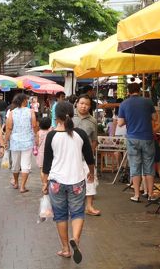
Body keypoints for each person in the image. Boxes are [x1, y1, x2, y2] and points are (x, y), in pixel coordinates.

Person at [42, 101, 95, 264]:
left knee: (60, 215)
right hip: (77, 181)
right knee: (78, 212)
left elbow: (46, 163)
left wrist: (44, 183)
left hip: (56, 182)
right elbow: (89, 157)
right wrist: (91, 173)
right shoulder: (80, 134)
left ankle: (65, 249)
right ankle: (76, 239)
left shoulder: (51, 135)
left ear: (56, 117)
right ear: (72, 114)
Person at [117, 83, 156, 202]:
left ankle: (137, 195)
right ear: (139, 90)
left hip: (132, 138)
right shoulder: (148, 102)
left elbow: (120, 123)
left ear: (128, 92)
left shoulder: (124, 104)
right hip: (147, 137)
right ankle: (150, 194)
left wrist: (129, 119)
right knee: (149, 166)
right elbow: (155, 117)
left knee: (135, 166)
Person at [72, 95, 101, 216]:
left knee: (90, 180)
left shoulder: (93, 121)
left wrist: (90, 153)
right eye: (82, 103)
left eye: (87, 104)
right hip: (70, 157)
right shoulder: (69, 117)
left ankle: (89, 206)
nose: (84, 106)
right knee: (71, 181)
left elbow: (94, 140)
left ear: (90, 106)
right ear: (77, 103)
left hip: (85, 158)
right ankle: (73, 206)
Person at [5, 93, 38, 193]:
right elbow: (34, 125)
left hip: (15, 142)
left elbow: (9, 127)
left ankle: (16, 182)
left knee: (15, 164)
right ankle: (23, 186)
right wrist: (36, 136)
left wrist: (6, 141)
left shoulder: (12, 112)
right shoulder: (31, 111)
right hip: (27, 141)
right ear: (24, 101)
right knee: (25, 164)